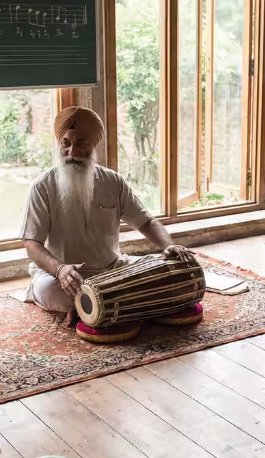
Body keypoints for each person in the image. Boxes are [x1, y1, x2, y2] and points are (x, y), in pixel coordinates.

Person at [20, 106, 191, 325]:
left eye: (81, 144)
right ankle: (97, 303)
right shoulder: (42, 187)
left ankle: (90, 307)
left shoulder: (112, 182)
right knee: (49, 291)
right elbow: (31, 244)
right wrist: (60, 269)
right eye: (66, 143)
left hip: (112, 272)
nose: (72, 152)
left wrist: (168, 245)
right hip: (63, 278)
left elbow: (146, 222)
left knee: (168, 269)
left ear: (94, 145)